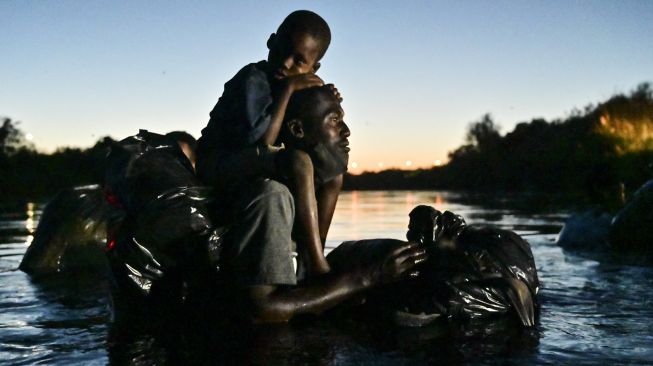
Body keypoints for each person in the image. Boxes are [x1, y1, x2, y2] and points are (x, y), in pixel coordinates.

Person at [214, 86, 427, 323]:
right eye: (334, 120)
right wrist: (367, 278)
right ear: (297, 130)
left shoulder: (318, 188)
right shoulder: (272, 195)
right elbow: (262, 310)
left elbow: (313, 275)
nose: (346, 131)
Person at [196, 10, 341, 278]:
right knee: (298, 162)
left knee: (334, 173)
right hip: (219, 164)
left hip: (254, 163)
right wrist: (287, 91)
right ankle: (319, 265)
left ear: (314, 68)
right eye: (284, 49)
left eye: (299, 61)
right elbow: (261, 143)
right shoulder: (253, 78)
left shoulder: (299, 88)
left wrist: (325, 99)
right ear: (271, 42)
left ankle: (314, 252)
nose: (286, 63)